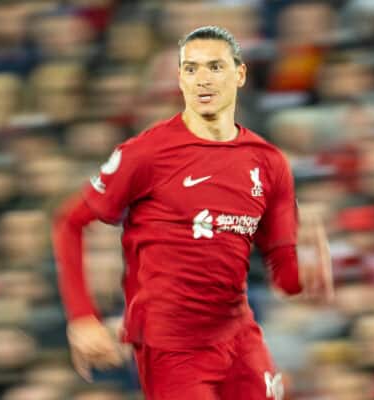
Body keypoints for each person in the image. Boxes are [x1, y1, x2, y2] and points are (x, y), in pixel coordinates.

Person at [52, 25, 334, 400]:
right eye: (191, 68)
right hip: (171, 345)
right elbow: (69, 223)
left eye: (215, 67)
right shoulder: (149, 152)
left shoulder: (268, 162)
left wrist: (308, 278)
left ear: (240, 74)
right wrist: (82, 317)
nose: (202, 79)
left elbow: (284, 274)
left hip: (237, 335)